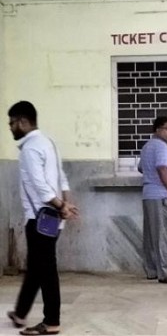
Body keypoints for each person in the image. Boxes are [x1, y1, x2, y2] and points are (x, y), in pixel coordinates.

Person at [6, 100, 79, 336]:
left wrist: (60, 205)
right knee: (37, 266)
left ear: (24, 122)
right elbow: (62, 178)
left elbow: (40, 186)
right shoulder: (48, 142)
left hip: (40, 217)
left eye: (12, 123)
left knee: (45, 269)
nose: (10, 127)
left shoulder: (29, 149)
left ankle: (51, 322)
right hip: (52, 216)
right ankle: (20, 312)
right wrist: (65, 204)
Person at [138, 116, 167, 284]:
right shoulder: (161, 147)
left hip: (150, 194)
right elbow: (162, 168)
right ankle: (165, 273)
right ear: (158, 130)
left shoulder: (147, 146)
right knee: (164, 235)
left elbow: (141, 168)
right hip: (160, 195)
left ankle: (152, 270)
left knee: (152, 235)